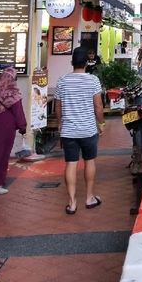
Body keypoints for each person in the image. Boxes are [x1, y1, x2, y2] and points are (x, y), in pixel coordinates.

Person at [55, 46, 105, 215]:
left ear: (72, 62)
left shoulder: (62, 80)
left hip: (68, 130)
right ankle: (89, 198)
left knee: (71, 164)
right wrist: (101, 123)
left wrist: (60, 123)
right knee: (89, 161)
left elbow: (58, 106)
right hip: (88, 129)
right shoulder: (93, 80)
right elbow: (98, 106)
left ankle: (72, 202)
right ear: (86, 62)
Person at [0, 66, 27, 196]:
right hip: (6, 129)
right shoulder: (12, 94)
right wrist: (23, 127)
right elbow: (19, 112)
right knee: (3, 155)